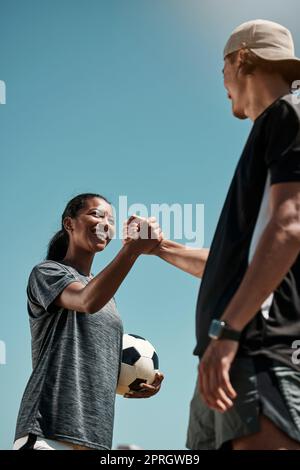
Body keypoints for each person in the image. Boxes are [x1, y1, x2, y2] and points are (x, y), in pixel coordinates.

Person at [128, 19, 300, 450]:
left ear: (241, 59)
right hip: (226, 353)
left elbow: (290, 226)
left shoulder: (288, 115)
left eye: (222, 67)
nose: (221, 80)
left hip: (257, 347)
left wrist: (228, 331)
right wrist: (161, 248)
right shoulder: (267, 131)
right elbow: (236, 266)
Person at [13, 193, 164, 451]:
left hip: (95, 437)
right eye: (96, 214)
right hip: (48, 432)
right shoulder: (48, 272)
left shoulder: (108, 295)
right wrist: (132, 251)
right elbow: (86, 301)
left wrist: (135, 382)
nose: (105, 223)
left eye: (111, 219)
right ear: (69, 223)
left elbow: (94, 360)